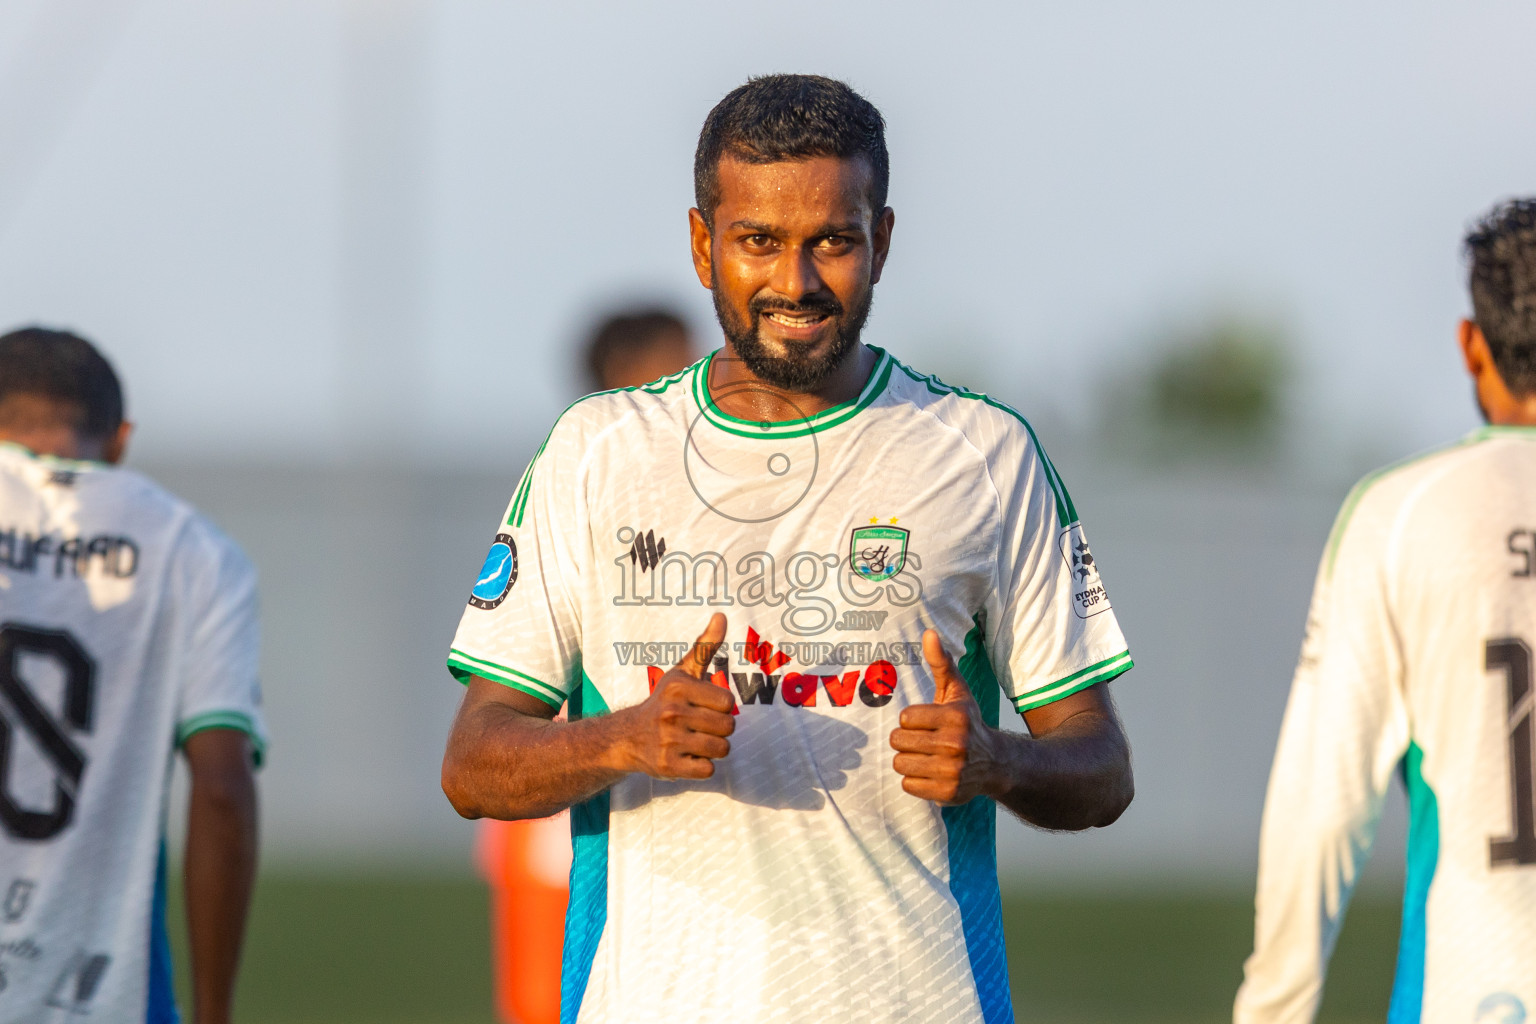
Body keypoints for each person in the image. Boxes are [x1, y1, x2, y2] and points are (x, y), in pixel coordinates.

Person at [441, 75, 1135, 1024]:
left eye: (832, 242)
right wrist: (627, 736)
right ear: (701, 244)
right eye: (758, 242)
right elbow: (474, 764)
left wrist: (996, 762)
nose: (795, 282)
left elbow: (1101, 769)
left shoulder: (984, 451)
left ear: (881, 240)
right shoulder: (594, 454)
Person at [1234, 199, 1536, 1023]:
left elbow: (1321, 810)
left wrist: (1273, 1009)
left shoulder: (1405, 513)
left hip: (1475, 995)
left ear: (1473, 344)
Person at [0, 327, 262, 1024]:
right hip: (98, 993)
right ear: (119, 439)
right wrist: (213, 1012)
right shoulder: (195, 549)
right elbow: (222, 789)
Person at [477, 308, 697, 1024]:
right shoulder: (572, 496)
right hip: (562, 836)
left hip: (682, 838)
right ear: (615, 389)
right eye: (673, 371)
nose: (697, 387)